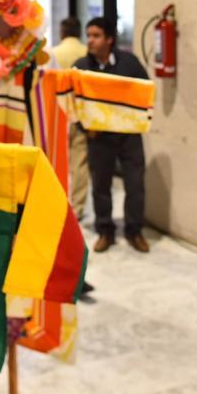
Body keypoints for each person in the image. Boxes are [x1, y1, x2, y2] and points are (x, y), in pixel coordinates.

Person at [74, 17, 151, 253]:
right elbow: (73, 102)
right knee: (101, 186)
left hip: (129, 137)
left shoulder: (130, 62)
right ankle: (105, 231)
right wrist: (86, 128)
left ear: (109, 39)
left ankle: (134, 230)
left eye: (96, 36)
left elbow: (145, 93)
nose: (91, 41)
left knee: (135, 185)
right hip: (99, 137)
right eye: (89, 35)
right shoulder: (81, 67)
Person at [51, 17, 90, 218]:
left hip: (58, 113)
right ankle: (78, 207)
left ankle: (57, 202)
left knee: (57, 160)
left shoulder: (54, 54)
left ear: (62, 32)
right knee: (79, 161)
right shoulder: (86, 53)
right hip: (80, 113)